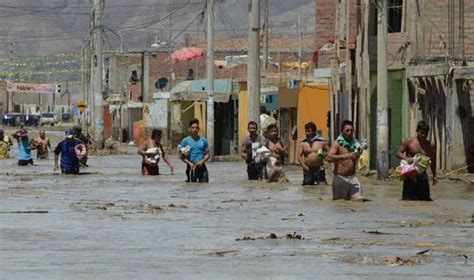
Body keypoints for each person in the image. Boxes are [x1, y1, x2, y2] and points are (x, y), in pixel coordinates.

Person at [396, 120, 437, 201]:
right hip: (410, 177)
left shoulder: (429, 145)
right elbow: (398, 153)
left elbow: (433, 160)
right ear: (417, 131)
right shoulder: (409, 141)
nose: (423, 135)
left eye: (425, 133)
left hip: (422, 177)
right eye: (421, 133)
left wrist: (434, 175)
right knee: (408, 200)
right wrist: (406, 158)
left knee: (426, 201)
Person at [327, 120, 364, 202]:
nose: (349, 132)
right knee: (340, 203)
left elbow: (355, 159)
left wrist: (358, 154)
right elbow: (329, 158)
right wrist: (345, 156)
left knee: (359, 200)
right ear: (342, 131)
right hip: (340, 178)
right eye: (347, 130)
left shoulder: (355, 143)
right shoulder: (337, 143)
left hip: (353, 177)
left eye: (351, 130)